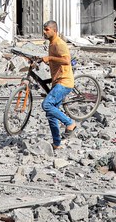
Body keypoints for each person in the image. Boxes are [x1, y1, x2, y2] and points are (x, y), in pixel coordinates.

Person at [40, 20, 76, 150]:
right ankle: (57, 143)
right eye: (44, 29)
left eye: (47, 29)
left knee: (46, 105)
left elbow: (66, 61)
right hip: (57, 81)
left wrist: (50, 58)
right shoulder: (51, 44)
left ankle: (70, 123)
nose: (44, 32)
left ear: (54, 31)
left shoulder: (59, 44)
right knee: (51, 114)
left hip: (64, 82)